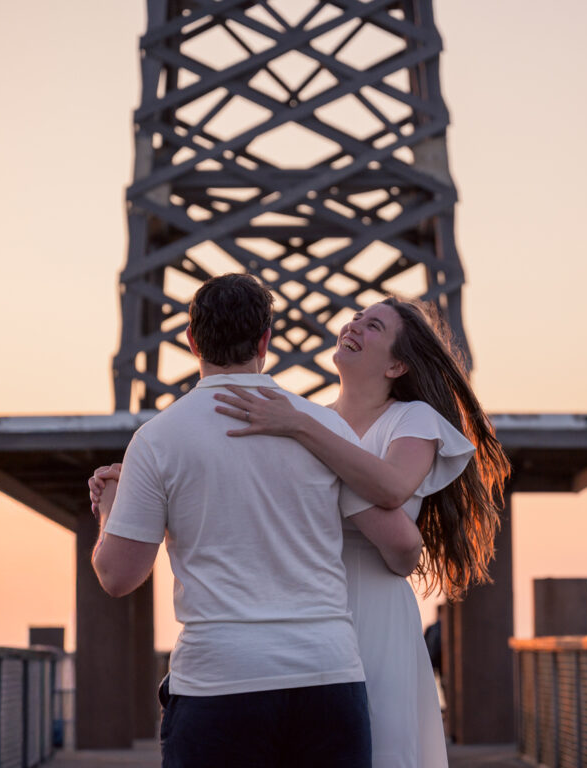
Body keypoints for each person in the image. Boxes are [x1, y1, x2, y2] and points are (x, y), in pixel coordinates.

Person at [89, 273, 424, 768]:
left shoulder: (159, 438)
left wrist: (110, 507)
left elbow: (118, 576)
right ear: (265, 339)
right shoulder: (321, 427)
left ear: (191, 341)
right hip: (327, 675)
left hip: (219, 681)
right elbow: (402, 548)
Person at [208, 297, 510, 768]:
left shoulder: (411, 420)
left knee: (383, 745)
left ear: (396, 365)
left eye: (373, 326)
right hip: (308, 611)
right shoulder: (310, 419)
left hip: (376, 607)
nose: (354, 325)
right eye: (355, 318)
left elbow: (391, 488)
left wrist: (300, 428)